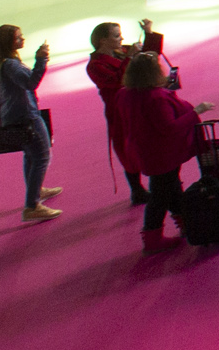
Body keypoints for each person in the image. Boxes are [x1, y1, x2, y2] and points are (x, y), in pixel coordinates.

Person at [114, 53, 204, 247]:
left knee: (171, 188)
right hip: (162, 153)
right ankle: (153, 239)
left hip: (143, 150)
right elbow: (169, 128)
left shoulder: (124, 94)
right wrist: (196, 111)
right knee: (160, 195)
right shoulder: (157, 97)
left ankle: (186, 225)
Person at [85, 19, 162, 202]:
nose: (121, 39)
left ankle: (155, 184)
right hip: (119, 111)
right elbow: (117, 81)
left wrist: (149, 33)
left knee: (150, 142)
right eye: (116, 36)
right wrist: (130, 58)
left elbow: (151, 56)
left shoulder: (123, 51)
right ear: (103, 40)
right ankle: (137, 189)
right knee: (127, 149)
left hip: (139, 104)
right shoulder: (95, 65)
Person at [0, 23, 56, 220]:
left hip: (14, 117)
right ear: (9, 42)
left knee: (31, 156)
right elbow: (31, 83)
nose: (22, 39)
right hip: (26, 116)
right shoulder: (11, 65)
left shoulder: (2, 64)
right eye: (18, 37)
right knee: (42, 157)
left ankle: (36, 191)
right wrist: (41, 60)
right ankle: (32, 205)